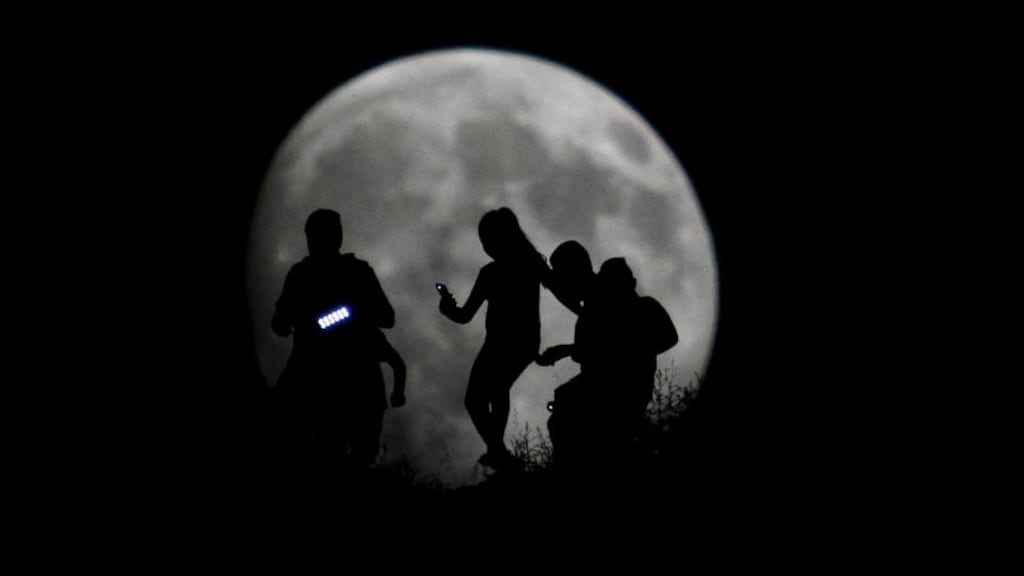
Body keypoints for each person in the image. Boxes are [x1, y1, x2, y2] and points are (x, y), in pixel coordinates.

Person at [271, 208, 397, 470]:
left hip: (353, 378)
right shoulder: (303, 274)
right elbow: (279, 322)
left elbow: (387, 317)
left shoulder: (356, 272)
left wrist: (355, 311)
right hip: (314, 377)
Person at [438, 207, 547, 470]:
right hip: (521, 342)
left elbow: (464, 315)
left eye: (487, 241)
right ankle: (498, 452)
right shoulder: (530, 264)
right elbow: (465, 315)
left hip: (505, 343)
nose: (485, 247)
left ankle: (498, 452)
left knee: (479, 398)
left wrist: (447, 308)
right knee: (496, 392)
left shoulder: (495, 272)